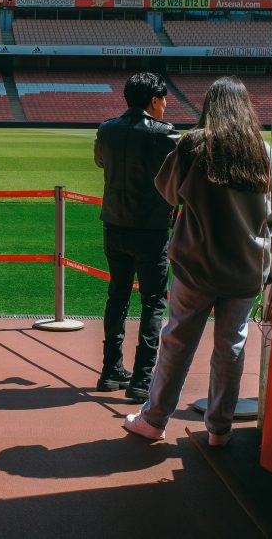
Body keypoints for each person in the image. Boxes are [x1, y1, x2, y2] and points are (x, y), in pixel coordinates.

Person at [124, 76, 272, 446]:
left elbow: (168, 192)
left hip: (197, 265)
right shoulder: (263, 151)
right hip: (247, 266)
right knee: (232, 346)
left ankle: (154, 420)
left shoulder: (193, 145)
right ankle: (219, 429)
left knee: (177, 342)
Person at [93, 72, 179, 403]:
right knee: (153, 301)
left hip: (113, 225)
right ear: (154, 100)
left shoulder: (107, 129)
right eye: (164, 100)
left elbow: (100, 161)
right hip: (151, 231)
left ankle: (110, 371)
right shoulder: (165, 133)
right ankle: (142, 379)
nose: (166, 105)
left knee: (117, 296)